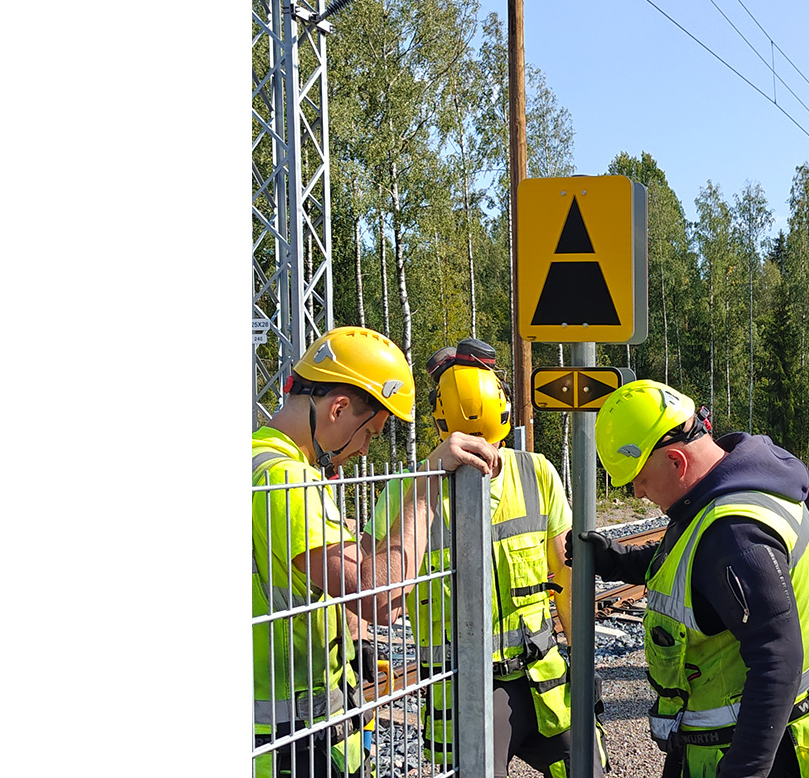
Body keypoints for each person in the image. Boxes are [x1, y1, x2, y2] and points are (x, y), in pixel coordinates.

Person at [252, 326, 499, 778]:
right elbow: (380, 597)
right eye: (370, 432)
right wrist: (425, 487)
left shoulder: (261, 460)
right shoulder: (285, 478)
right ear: (338, 408)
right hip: (288, 743)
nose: (365, 449)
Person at [571, 380, 809, 778]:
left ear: (677, 461)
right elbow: (693, 567)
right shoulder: (732, 489)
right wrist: (616, 561)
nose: (638, 491)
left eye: (641, 478)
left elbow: (777, 661)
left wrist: (745, 769)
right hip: (736, 741)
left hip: (753, 751)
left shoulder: (735, 535)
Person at [370, 338, 604, 778]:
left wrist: (584, 663)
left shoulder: (536, 473)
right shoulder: (410, 489)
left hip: (545, 683)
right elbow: (376, 592)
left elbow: (569, 578)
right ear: (505, 408)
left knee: (588, 766)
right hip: (464, 692)